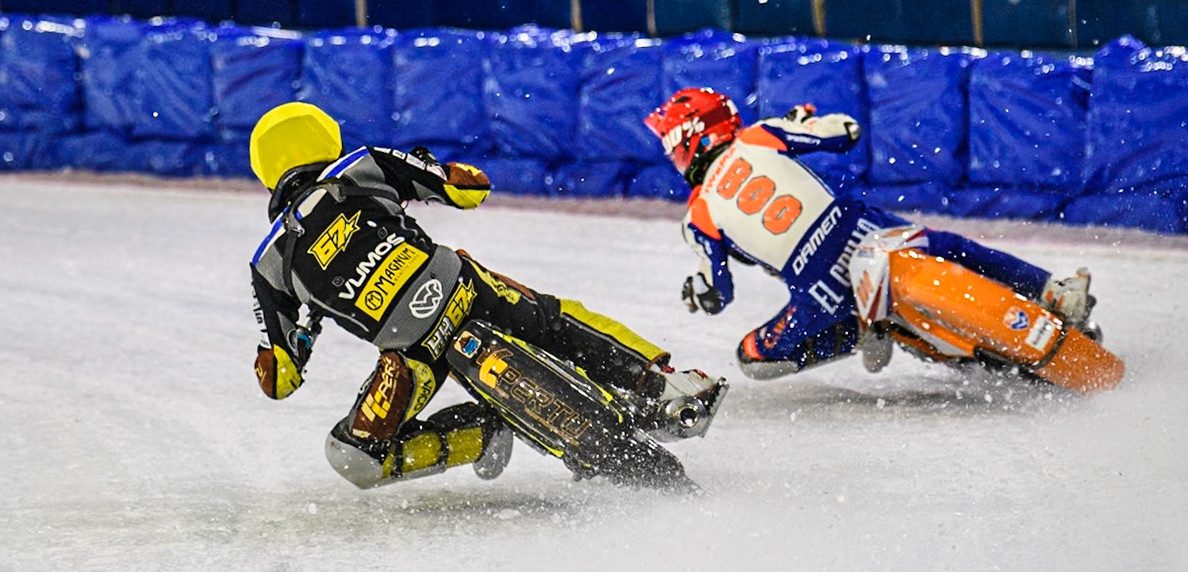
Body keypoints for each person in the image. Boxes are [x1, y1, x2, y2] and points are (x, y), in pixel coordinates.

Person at [248, 102, 726, 489]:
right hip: (465, 288)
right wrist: (435, 170)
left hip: (411, 355)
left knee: (353, 456)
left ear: (267, 174)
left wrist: (302, 337)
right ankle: (667, 384)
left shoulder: (269, 262)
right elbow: (468, 187)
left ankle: (476, 435)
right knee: (551, 319)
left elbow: (279, 381)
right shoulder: (362, 165)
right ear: (327, 138)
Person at [643, 88, 1093, 380]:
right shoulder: (761, 135)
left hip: (818, 290)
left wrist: (696, 291)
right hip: (867, 230)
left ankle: (858, 330)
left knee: (752, 358)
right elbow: (846, 131)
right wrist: (800, 123)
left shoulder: (697, 214)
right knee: (950, 245)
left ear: (688, 142)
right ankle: (1053, 290)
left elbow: (718, 292)